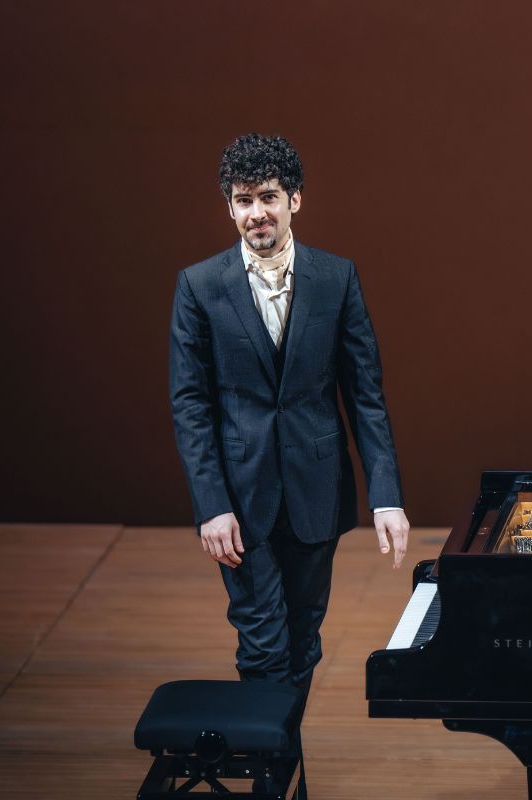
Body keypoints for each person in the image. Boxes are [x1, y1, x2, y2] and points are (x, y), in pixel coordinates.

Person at [169, 133, 410, 789]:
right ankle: (276, 779)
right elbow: (190, 405)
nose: (257, 213)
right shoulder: (199, 285)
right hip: (240, 503)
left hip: (315, 490)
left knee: (303, 640)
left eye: (269, 198)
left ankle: (279, 763)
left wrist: (386, 494)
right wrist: (210, 505)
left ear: (295, 200)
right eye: (244, 201)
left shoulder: (337, 278)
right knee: (264, 645)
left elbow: (365, 392)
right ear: (230, 208)